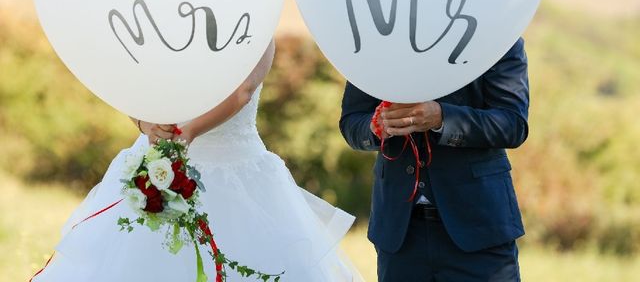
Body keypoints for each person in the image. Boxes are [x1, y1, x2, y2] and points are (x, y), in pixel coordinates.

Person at [34, 42, 362, 282]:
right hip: (155, 160)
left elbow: (242, 91)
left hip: (236, 175)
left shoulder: (255, 22)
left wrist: (187, 131)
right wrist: (145, 123)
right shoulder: (165, 14)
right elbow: (132, 78)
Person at [339, 38, 529, 281]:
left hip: (478, 228)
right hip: (399, 234)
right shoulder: (375, 39)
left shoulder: (497, 33)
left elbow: (512, 124)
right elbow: (351, 122)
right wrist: (377, 127)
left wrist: (442, 118)